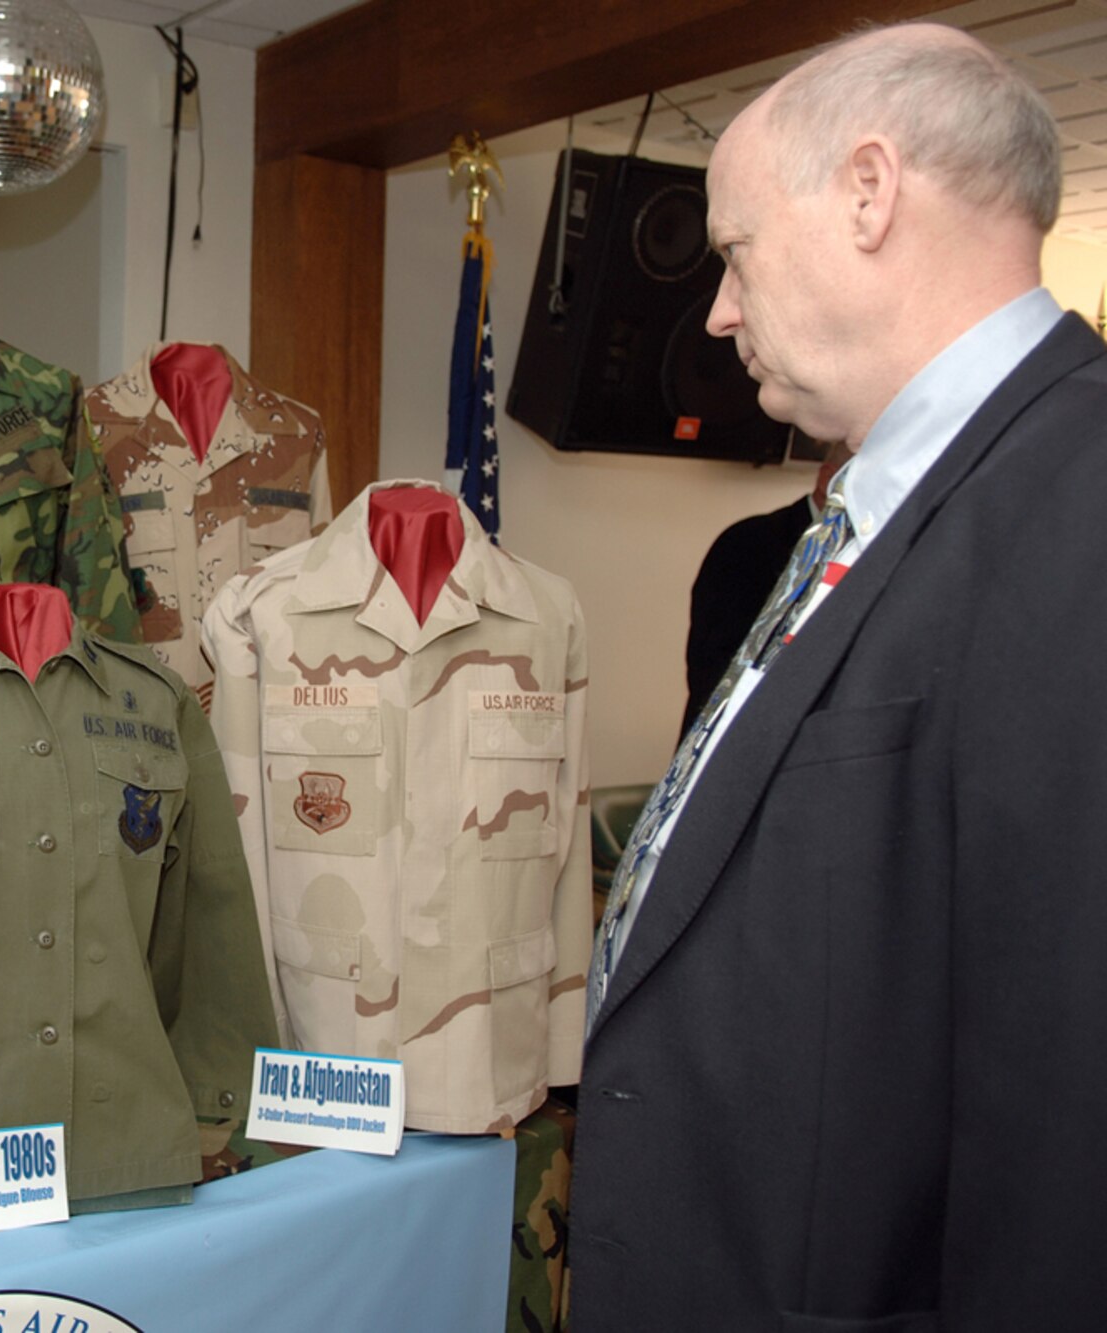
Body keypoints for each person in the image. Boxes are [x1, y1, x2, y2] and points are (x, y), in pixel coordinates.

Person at [572, 22, 1107, 1331]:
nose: (720, 311)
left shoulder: (1077, 499)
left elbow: (1066, 1104)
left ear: (870, 192)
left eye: (737, 253)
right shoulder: (888, 504)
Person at [679, 440, 852, 738]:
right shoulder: (749, 543)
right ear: (828, 478)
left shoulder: (871, 554)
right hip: (737, 741)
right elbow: (716, 669)